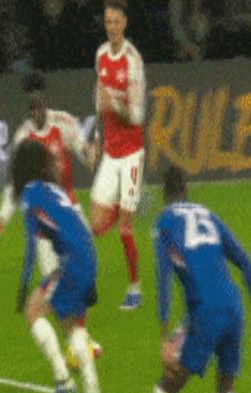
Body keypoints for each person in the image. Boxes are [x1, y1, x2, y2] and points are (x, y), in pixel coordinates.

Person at [152, 165, 251, 393]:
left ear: (165, 195)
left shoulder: (164, 223)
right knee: (225, 392)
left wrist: (165, 338)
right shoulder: (208, 215)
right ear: (186, 190)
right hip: (234, 308)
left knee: (166, 391)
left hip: (204, 312)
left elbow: (163, 278)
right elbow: (245, 261)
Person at [0, 72, 101, 367]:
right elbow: (15, 182)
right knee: (54, 282)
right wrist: (2, 216)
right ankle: (79, 343)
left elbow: (85, 154)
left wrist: (93, 155)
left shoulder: (64, 123)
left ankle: (80, 340)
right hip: (43, 218)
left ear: (46, 104)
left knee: (77, 279)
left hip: (70, 210)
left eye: (40, 106)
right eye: (32, 108)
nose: (37, 112)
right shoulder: (23, 137)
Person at [12, 140, 106, 393]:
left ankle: (63, 380)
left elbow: (31, 246)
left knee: (33, 310)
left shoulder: (30, 194)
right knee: (71, 325)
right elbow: (75, 227)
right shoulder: (55, 191)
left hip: (71, 263)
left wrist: (24, 284)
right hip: (86, 258)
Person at [91, 0, 146, 310]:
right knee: (97, 227)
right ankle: (125, 205)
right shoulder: (101, 54)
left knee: (125, 228)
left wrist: (116, 106)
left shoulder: (132, 61)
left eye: (115, 21)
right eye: (107, 22)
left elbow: (137, 115)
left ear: (124, 23)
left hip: (131, 153)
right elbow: (99, 97)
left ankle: (134, 288)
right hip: (110, 153)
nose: (111, 27)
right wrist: (97, 137)